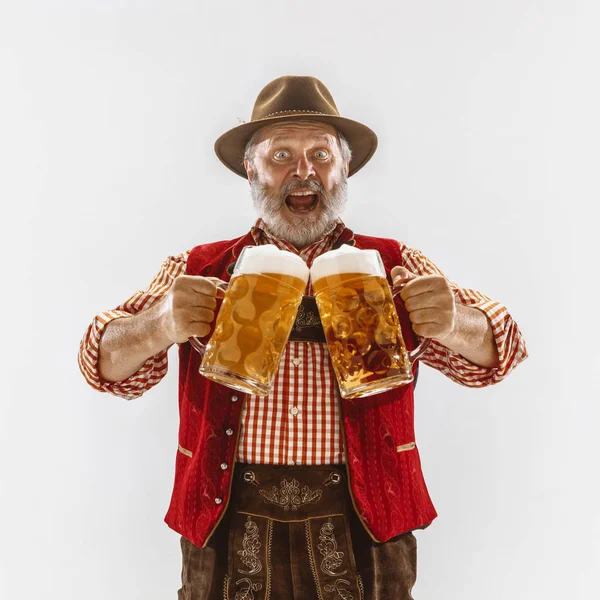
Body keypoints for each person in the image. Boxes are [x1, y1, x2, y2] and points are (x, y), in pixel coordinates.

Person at [78, 75, 528, 600]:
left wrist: (454, 322)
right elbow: (102, 365)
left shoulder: (395, 265)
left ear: (344, 169)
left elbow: (502, 351)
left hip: (366, 529)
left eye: (320, 153)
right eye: (281, 154)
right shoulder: (198, 268)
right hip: (227, 526)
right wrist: (161, 323)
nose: (304, 170)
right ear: (250, 168)